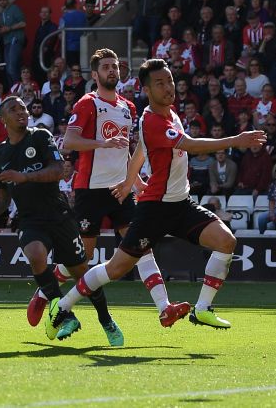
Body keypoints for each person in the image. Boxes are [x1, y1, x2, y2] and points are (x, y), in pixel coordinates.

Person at [52, 59, 266, 336]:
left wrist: (129, 182)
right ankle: (65, 304)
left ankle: (202, 309)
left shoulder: (170, 114)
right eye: (160, 83)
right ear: (146, 90)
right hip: (154, 209)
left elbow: (140, 150)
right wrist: (237, 139)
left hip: (181, 204)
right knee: (116, 268)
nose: (168, 88)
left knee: (226, 241)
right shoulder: (152, 119)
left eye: (170, 81)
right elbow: (189, 144)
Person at [28, 48, 186, 329]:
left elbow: (127, 152)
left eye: (115, 66)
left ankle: (164, 307)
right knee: (83, 258)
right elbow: (69, 143)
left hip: (120, 191)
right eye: (106, 67)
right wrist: (102, 143)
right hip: (90, 190)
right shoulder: (87, 104)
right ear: (96, 74)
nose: (112, 70)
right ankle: (43, 293)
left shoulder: (129, 107)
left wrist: (135, 182)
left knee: (142, 247)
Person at [0, 96, 124, 345]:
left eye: (23, 108)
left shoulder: (40, 136)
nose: (21, 113)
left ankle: (106, 320)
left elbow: (58, 170)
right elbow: (2, 200)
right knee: (36, 255)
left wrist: (24, 177)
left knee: (81, 272)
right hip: (29, 219)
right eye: (14, 110)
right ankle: (65, 315)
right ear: (3, 120)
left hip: (59, 216)